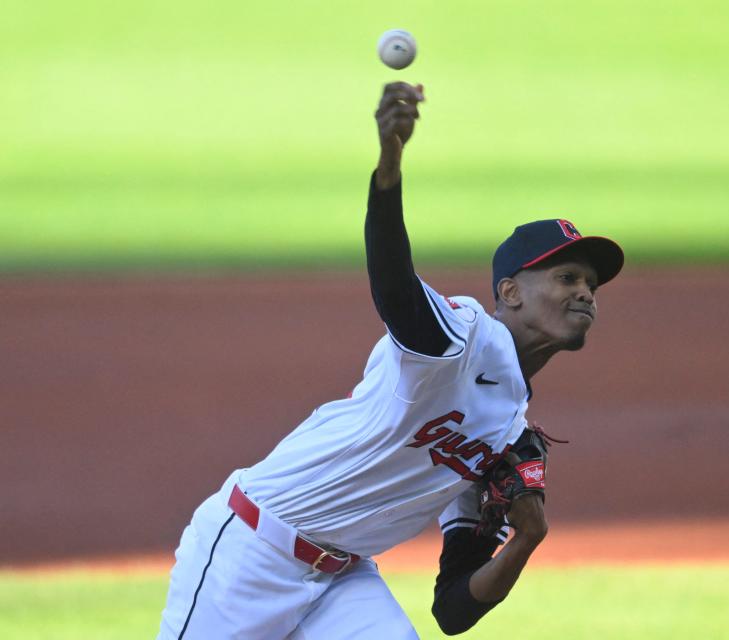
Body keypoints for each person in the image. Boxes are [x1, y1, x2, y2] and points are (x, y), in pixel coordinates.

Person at [157, 81, 624, 639]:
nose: (585, 293)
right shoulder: (466, 335)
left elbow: (454, 609)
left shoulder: (509, 436)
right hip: (252, 551)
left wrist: (526, 538)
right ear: (512, 292)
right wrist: (389, 168)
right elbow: (396, 290)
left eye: (591, 284)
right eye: (567, 277)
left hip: (343, 581)